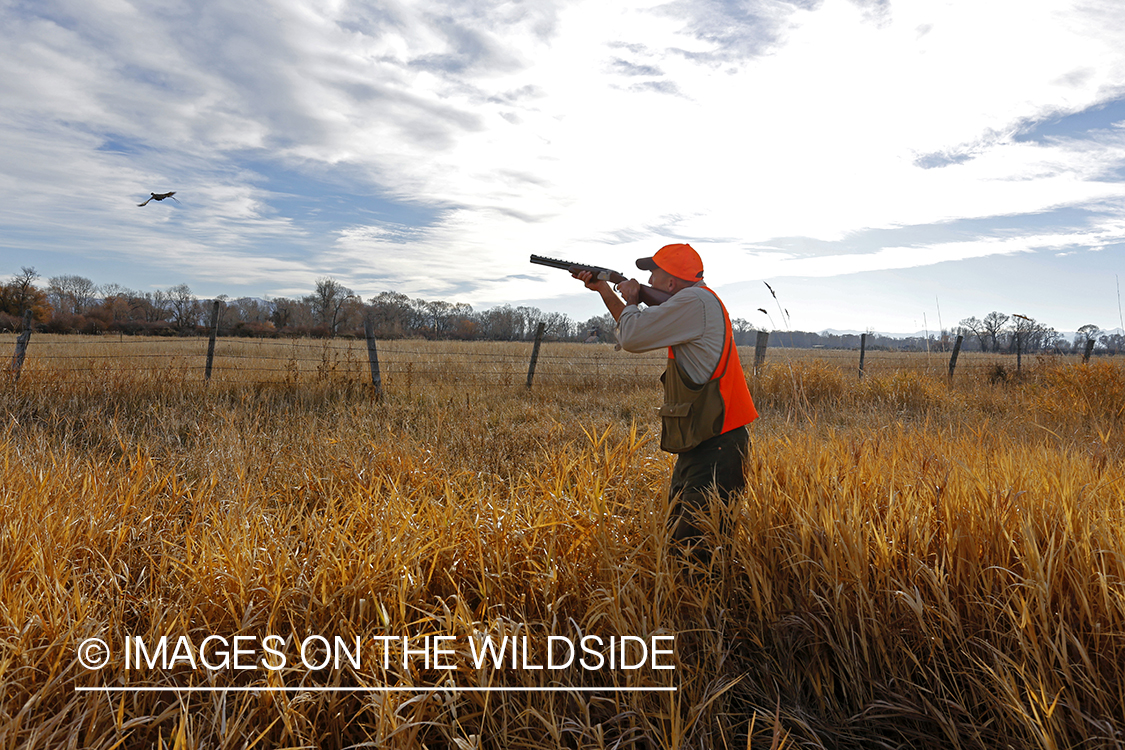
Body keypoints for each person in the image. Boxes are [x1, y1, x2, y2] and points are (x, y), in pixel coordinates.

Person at [573, 243, 758, 562]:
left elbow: (631, 338)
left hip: (717, 444)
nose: (649, 279)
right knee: (681, 542)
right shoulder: (696, 302)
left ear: (671, 283)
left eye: (653, 274)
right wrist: (605, 290)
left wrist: (633, 297)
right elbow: (637, 331)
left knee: (697, 553)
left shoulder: (694, 301)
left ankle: (708, 612)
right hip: (704, 440)